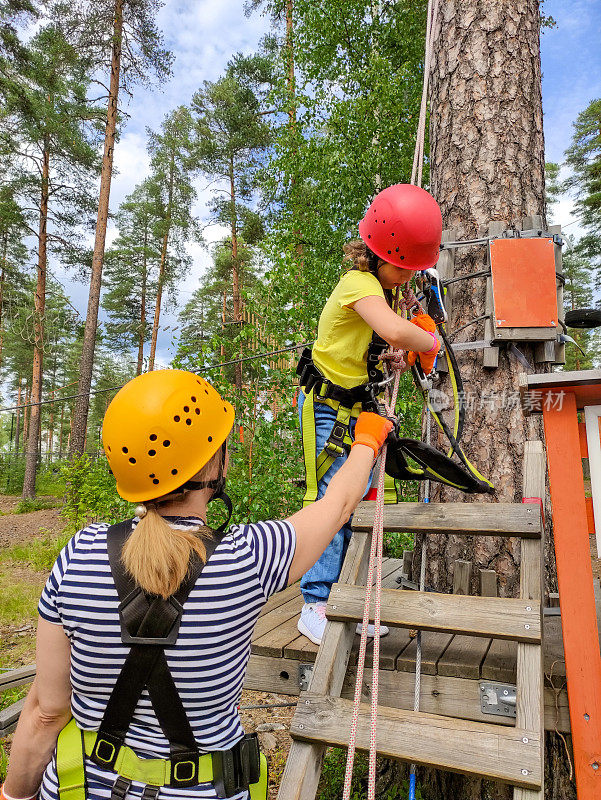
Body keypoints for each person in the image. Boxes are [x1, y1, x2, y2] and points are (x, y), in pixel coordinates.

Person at [1, 369, 392, 800]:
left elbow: (46, 712)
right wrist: (367, 440)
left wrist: (14, 795)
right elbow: (336, 506)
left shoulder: (78, 552)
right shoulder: (249, 557)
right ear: (216, 461)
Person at [296, 183, 443, 645]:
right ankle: (314, 604)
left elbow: (371, 341)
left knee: (356, 502)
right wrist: (429, 342)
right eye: (403, 267)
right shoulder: (358, 284)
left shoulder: (374, 287)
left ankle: (344, 599)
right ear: (381, 255)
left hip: (350, 407)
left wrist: (386, 359)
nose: (406, 276)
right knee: (332, 502)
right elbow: (396, 328)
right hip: (326, 410)